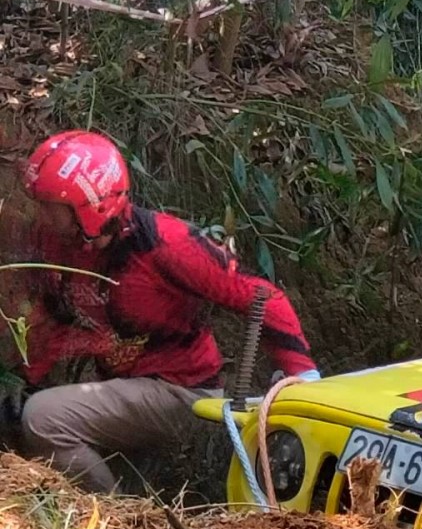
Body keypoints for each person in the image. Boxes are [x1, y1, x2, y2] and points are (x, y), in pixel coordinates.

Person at [4, 130, 319, 493]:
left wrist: (306, 379)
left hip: (184, 393)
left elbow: (264, 298)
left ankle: (117, 520)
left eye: (49, 205)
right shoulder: (64, 245)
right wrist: (25, 381)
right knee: (29, 412)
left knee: (45, 418)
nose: (39, 215)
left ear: (90, 206)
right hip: (127, 387)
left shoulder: (168, 245)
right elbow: (56, 316)